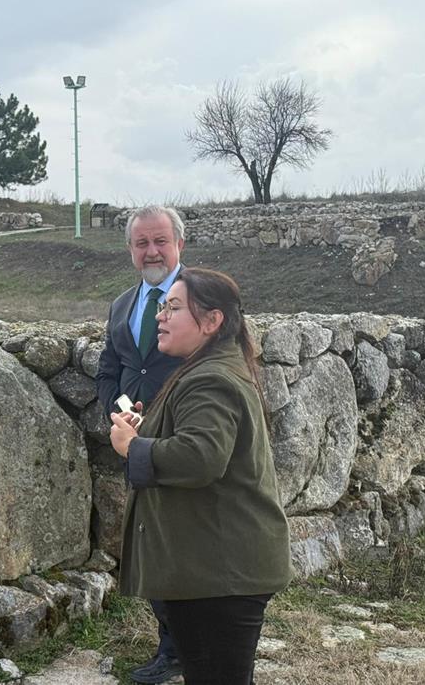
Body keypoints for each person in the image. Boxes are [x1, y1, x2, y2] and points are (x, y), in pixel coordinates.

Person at [110, 267, 293, 685]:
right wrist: (148, 430)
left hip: (219, 576)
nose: (160, 316)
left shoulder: (209, 378)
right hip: (216, 570)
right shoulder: (210, 368)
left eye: (173, 308)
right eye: (162, 306)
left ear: (212, 321)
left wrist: (132, 447)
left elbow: (200, 457)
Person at [95, 205, 186, 684]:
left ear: (179, 245)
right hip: (135, 447)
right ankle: (172, 647)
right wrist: (119, 414)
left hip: (185, 442)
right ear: (130, 249)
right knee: (150, 546)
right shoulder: (121, 304)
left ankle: (192, 647)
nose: (152, 251)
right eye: (141, 243)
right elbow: (109, 370)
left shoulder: (201, 298)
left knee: (184, 547)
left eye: (160, 241)